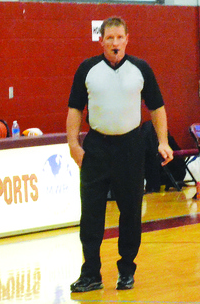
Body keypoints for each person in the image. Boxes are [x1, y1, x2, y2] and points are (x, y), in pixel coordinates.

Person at [66, 16, 172, 293]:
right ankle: (90, 273)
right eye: (109, 38)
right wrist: (74, 146)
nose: (114, 43)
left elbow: (157, 108)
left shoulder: (141, 69)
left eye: (119, 37)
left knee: (130, 212)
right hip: (97, 147)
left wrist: (163, 141)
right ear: (101, 40)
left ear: (127, 39)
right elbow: (75, 109)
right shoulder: (87, 69)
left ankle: (126, 270)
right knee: (91, 213)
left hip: (131, 147)